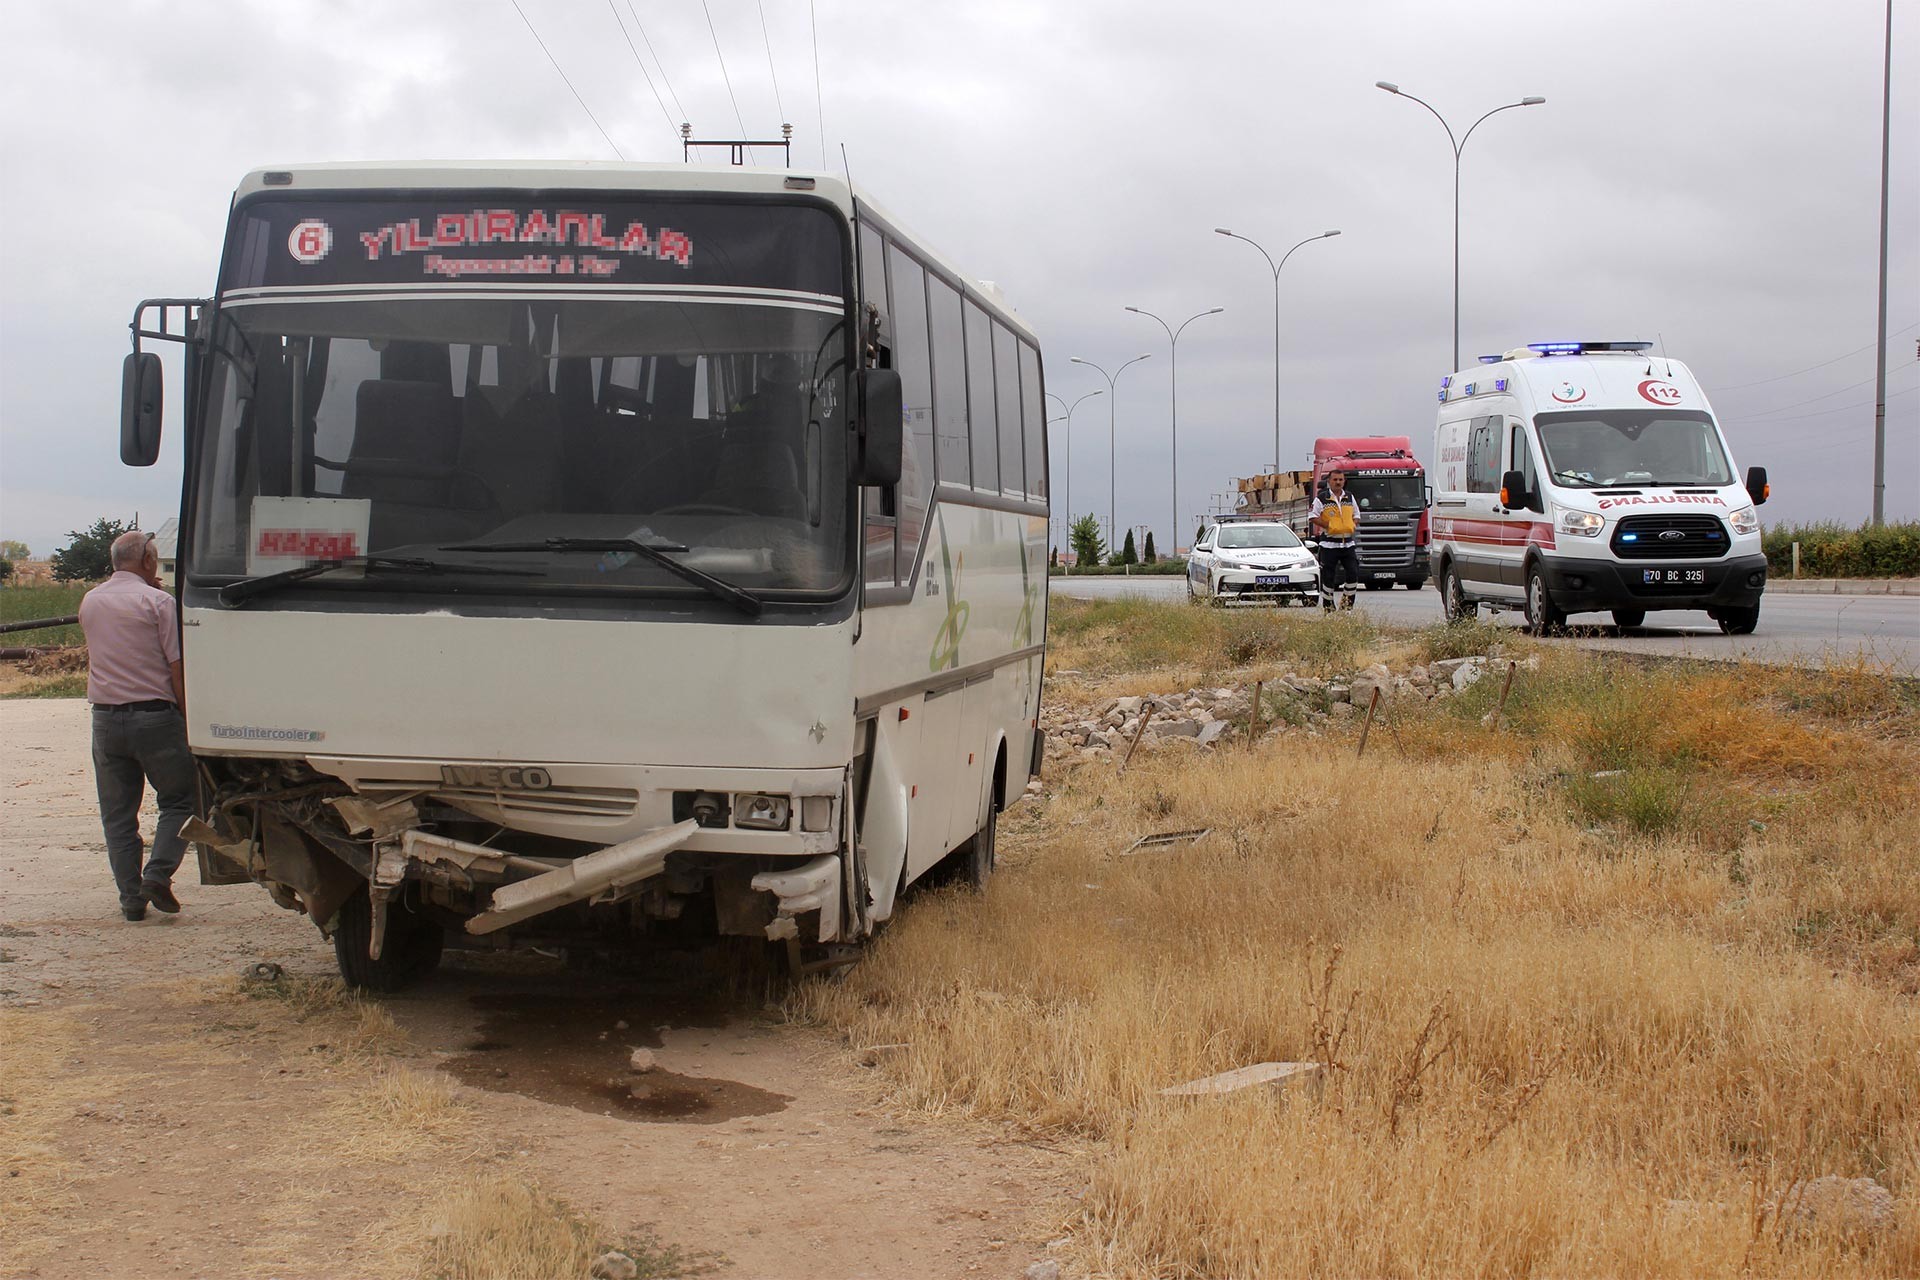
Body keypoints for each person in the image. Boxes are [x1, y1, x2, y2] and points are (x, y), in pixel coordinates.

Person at [78, 530, 195, 921]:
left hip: (106, 721)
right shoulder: (159, 601)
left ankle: (131, 899)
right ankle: (158, 874)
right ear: (147, 561)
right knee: (180, 800)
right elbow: (176, 665)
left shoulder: (91, 601)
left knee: (117, 814)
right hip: (155, 718)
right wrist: (186, 715)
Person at [1309, 470, 1362, 611]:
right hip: (1329, 544)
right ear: (1329, 481)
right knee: (1328, 577)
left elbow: (1357, 514)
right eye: (1335, 479)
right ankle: (1329, 607)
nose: (1338, 482)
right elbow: (1313, 516)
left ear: (1344, 481)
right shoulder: (1322, 498)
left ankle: (1346, 606)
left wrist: (1352, 525)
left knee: (1353, 574)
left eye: (1340, 479)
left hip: (1348, 543)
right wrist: (1329, 525)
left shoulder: (1349, 497)